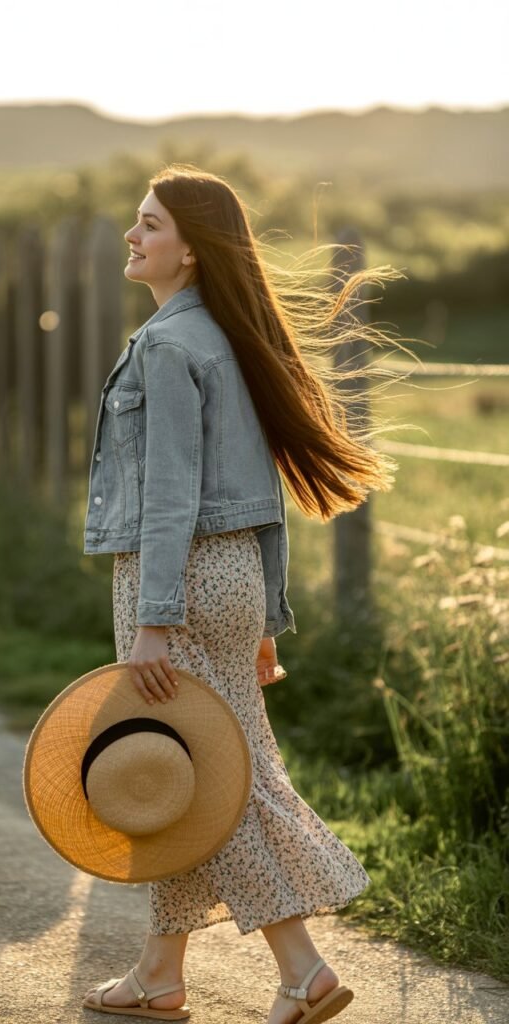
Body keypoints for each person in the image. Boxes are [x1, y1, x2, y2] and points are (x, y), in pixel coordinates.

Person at [82, 165, 401, 1024]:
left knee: (218, 778)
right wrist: (267, 615)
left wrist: (154, 619)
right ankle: (159, 975)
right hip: (229, 582)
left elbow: (169, 497)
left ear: (189, 250)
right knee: (186, 772)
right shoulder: (225, 335)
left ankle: (303, 971)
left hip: (176, 583)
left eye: (148, 224)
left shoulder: (169, 344)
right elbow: (260, 494)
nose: (132, 235)